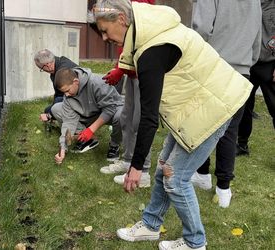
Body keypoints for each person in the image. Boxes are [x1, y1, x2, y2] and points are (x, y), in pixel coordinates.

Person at [92, 1, 252, 249]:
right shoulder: (150, 31)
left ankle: (195, 242)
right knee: (163, 169)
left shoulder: (152, 50)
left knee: (175, 178)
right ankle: (150, 225)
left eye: (104, 30)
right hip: (198, 105)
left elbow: (148, 117)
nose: (103, 37)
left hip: (217, 107)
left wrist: (136, 167)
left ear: (122, 19)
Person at [190, 0, 262, 208]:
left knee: (204, 124)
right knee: (230, 130)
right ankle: (223, 188)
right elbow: (257, 37)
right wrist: (248, 59)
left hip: (214, 65)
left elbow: (201, 27)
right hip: (242, 70)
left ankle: (203, 174)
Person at [99, 0, 155, 188]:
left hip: (143, 71)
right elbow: (126, 45)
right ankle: (128, 161)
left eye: (105, 32)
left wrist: (120, 69)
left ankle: (144, 171)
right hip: (130, 70)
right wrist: (120, 69)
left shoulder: (140, 5)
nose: (105, 38)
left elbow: (138, 40)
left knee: (140, 121)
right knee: (127, 118)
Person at [51, 67, 124, 164]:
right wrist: (62, 149)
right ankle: (88, 140)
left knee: (121, 116)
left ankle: (114, 144)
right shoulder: (68, 95)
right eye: (64, 92)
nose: (66, 95)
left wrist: (91, 129)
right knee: (56, 109)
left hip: (111, 110)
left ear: (76, 81)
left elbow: (109, 108)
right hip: (88, 114)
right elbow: (68, 122)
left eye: (67, 90)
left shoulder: (97, 82)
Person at [237, 0, 275, 156]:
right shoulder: (248, 3)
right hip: (248, 61)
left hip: (270, 63)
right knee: (244, 105)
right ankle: (242, 144)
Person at [34, 49, 78, 122]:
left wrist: (49, 114)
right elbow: (59, 93)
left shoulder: (62, 72)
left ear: (48, 65)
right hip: (71, 97)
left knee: (50, 110)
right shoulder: (58, 64)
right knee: (49, 108)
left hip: (78, 99)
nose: (43, 70)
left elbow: (65, 96)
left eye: (41, 68)